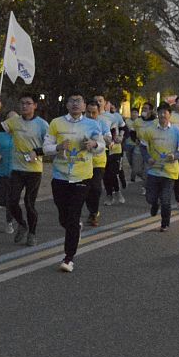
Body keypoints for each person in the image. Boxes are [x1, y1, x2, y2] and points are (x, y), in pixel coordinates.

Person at [44, 93, 103, 269]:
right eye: (72, 101)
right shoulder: (56, 123)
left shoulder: (92, 124)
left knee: (73, 214)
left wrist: (93, 145)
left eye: (79, 101)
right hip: (60, 176)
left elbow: (101, 147)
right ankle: (74, 226)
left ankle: (68, 258)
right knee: (64, 217)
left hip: (82, 176)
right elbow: (46, 148)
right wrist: (58, 147)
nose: (75, 104)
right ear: (67, 105)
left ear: (84, 106)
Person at [0, 95, 49, 242]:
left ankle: (32, 234)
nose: (24, 106)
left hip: (34, 170)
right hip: (16, 169)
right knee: (11, 201)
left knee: (29, 203)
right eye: (22, 103)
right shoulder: (14, 121)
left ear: (35, 105)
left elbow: (50, 146)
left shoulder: (42, 125)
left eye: (28, 103)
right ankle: (22, 225)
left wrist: (38, 151)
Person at [139, 103, 179, 232]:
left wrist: (175, 156)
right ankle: (154, 204)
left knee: (166, 199)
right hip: (153, 170)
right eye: (160, 112)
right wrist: (147, 158)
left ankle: (165, 223)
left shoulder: (176, 131)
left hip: (169, 171)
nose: (162, 115)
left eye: (165, 112)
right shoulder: (149, 130)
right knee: (150, 198)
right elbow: (143, 147)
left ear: (169, 115)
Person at [83, 98, 111, 226]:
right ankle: (91, 211)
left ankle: (94, 213)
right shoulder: (80, 122)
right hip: (83, 161)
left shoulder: (102, 123)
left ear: (98, 112)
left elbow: (109, 137)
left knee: (96, 187)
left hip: (98, 160)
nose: (91, 115)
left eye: (94, 112)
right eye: (88, 112)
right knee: (86, 188)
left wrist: (107, 139)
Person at [99, 97, 127, 206]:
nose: (98, 103)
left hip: (115, 150)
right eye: (96, 100)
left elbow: (124, 128)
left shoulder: (114, 117)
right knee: (106, 174)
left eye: (101, 101)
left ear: (106, 103)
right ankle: (109, 194)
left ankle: (117, 191)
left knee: (113, 173)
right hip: (102, 150)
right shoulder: (91, 117)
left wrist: (120, 136)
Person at [0, 120, 15, 230]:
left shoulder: (21, 136)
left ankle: (9, 222)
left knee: (10, 198)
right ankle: (11, 209)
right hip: (1, 172)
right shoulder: (0, 136)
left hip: (16, 173)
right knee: (1, 200)